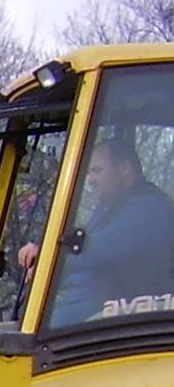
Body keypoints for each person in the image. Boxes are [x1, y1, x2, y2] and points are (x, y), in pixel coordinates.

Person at [19, 135, 174, 323]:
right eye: (89, 173)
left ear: (124, 169)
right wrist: (42, 267)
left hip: (126, 318)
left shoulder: (149, 208)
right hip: (92, 308)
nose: (90, 180)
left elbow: (100, 249)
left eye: (97, 171)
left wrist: (47, 256)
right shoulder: (108, 209)